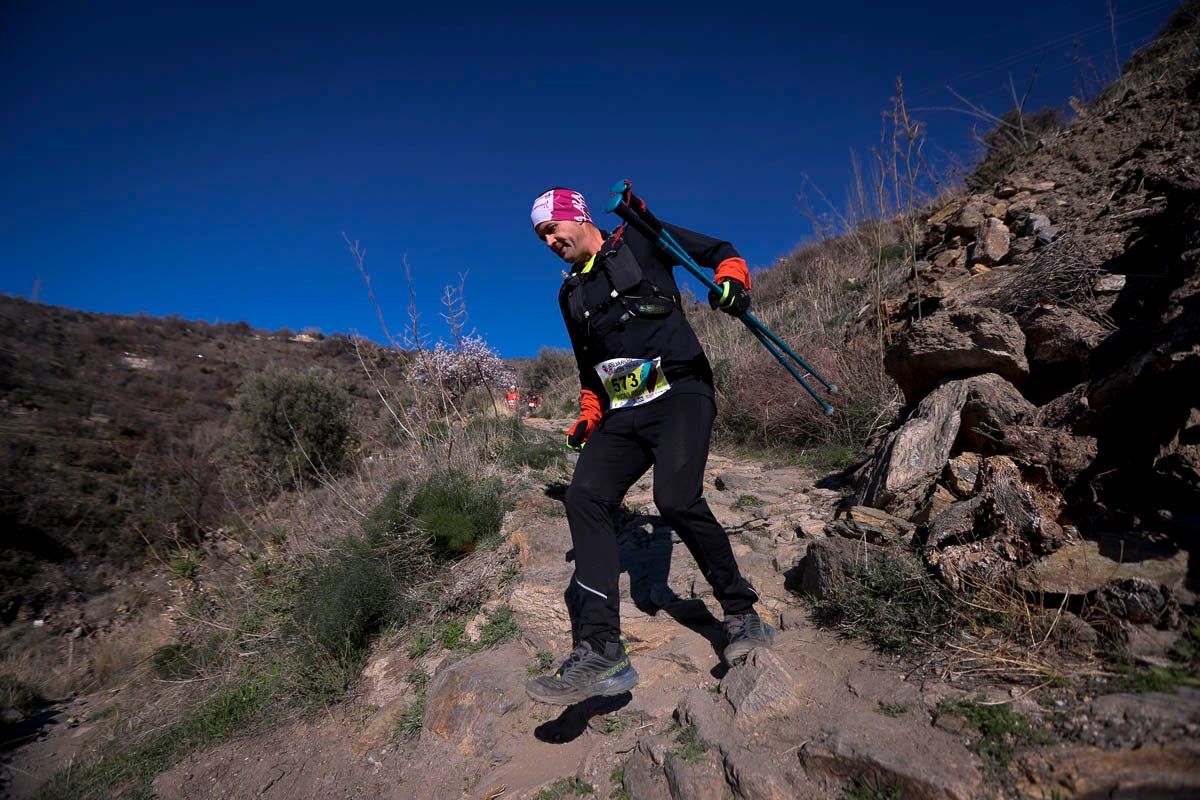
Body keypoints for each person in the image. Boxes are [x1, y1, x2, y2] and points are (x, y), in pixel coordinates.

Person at [524, 187, 774, 705]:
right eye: (541, 236)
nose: (549, 241)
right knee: (585, 497)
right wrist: (590, 414)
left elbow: (717, 250)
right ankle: (601, 651)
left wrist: (733, 280)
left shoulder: (637, 235)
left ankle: (741, 612)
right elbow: (588, 367)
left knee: (676, 500)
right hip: (625, 409)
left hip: (682, 388)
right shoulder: (569, 295)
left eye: (553, 229)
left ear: (579, 217)